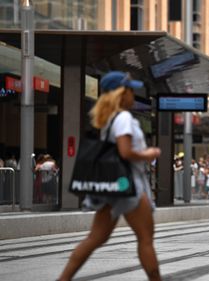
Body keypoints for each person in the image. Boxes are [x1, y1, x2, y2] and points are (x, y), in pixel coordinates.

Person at [59, 71, 162, 281]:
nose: (134, 94)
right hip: (129, 186)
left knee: (96, 238)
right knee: (145, 239)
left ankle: (63, 279)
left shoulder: (109, 119)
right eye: (131, 90)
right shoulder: (123, 118)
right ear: (122, 94)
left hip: (112, 187)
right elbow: (125, 152)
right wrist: (148, 154)